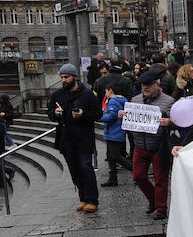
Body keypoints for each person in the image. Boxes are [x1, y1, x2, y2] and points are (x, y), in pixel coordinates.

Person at [121, 67, 175, 220]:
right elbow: (130, 121)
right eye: (143, 84)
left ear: (157, 85)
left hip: (159, 145)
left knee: (160, 179)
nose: (145, 87)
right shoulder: (135, 100)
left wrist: (169, 122)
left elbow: (178, 121)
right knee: (138, 176)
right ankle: (153, 200)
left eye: (149, 84)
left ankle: (161, 208)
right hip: (140, 145)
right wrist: (122, 116)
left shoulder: (169, 101)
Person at [48, 64, 102, 212]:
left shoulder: (87, 94)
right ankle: (83, 198)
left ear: (74, 77)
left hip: (83, 138)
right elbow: (50, 113)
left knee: (85, 167)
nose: (63, 80)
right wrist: (55, 113)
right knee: (75, 170)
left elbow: (98, 114)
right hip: (66, 139)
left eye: (66, 77)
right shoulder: (57, 95)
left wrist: (83, 114)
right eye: (61, 77)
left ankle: (92, 200)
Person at [98, 79, 133, 187]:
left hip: (114, 132)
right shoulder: (122, 100)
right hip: (115, 131)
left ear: (110, 91)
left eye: (106, 92)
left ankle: (136, 170)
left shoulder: (113, 101)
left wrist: (99, 117)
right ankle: (112, 178)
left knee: (116, 156)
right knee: (110, 156)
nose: (105, 94)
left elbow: (112, 116)